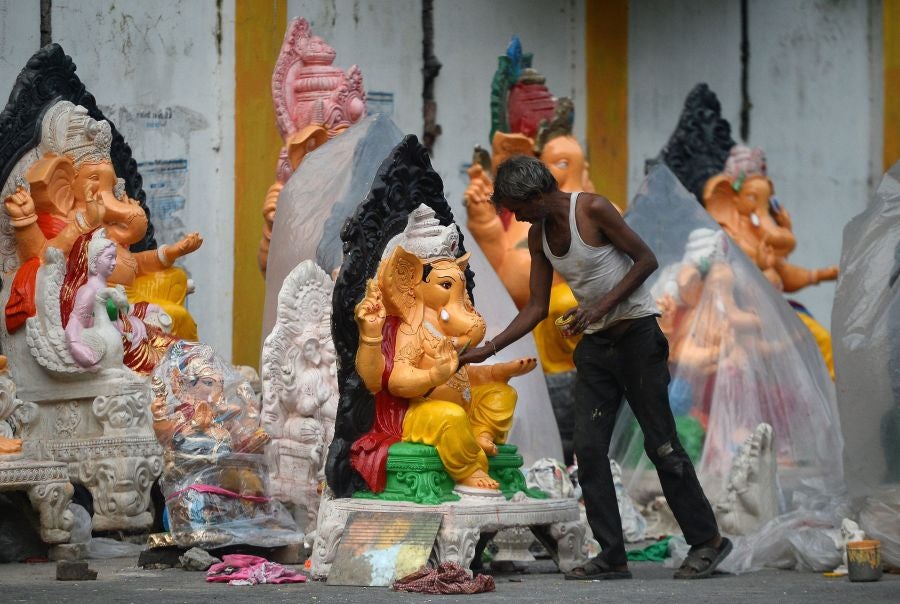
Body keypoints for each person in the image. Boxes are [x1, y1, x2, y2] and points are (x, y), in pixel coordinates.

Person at [459, 155, 731, 580]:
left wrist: (598, 307)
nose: (518, 217)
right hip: (597, 347)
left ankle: (707, 541)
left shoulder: (592, 209)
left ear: (538, 195)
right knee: (587, 450)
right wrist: (489, 347)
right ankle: (612, 554)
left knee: (662, 445)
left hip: (638, 338)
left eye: (519, 207)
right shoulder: (539, 237)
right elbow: (536, 306)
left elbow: (645, 260)